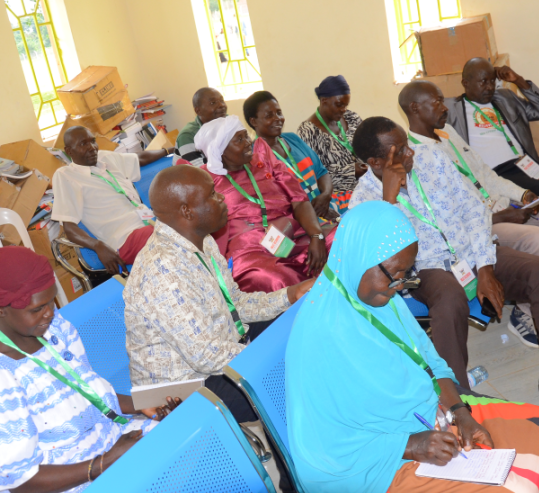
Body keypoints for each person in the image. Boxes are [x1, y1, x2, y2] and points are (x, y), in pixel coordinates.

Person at [286, 201, 539, 493]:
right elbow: (327, 445)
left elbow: (428, 360)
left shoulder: (381, 299)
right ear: (358, 257)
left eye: (406, 275)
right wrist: (412, 445)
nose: (399, 286)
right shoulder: (320, 336)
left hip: (427, 416)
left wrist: (460, 411)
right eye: (393, 274)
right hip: (371, 465)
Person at [349, 116, 539, 396]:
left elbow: (474, 209)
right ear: (375, 163)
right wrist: (389, 200)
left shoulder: (432, 157)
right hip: (425, 267)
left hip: (471, 251)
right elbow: (386, 259)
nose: (411, 152)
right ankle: (459, 399)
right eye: (400, 151)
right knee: (449, 300)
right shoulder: (363, 201)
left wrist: (485, 267)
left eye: (407, 144)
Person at [0, 247, 179, 493]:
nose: (50, 312)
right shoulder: (4, 377)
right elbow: (22, 483)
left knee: (181, 442)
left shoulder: (55, 328)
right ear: (2, 310)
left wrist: (145, 405)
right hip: (55, 483)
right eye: (37, 309)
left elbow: (89, 392)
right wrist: (102, 464)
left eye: (52, 302)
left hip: (106, 442)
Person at [124, 165, 313, 422]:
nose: (222, 198)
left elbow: (235, 304)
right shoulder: (162, 270)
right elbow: (205, 355)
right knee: (288, 375)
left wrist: (290, 295)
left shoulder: (201, 240)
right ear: (187, 211)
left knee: (299, 325)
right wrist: (269, 355)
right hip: (184, 392)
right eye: (212, 194)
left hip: (223, 349)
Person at [401, 79, 539, 347]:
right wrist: (500, 217)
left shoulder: (447, 132)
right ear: (415, 108)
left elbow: (485, 173)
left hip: (500, 205)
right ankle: (524, 312)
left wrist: (521, 194)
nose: (444, 107)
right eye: (437, 102)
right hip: (481, 224)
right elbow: (447, 218)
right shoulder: (414, 156)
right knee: (537, 238)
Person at [194, 115, 336, 293]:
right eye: (239, 139)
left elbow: (299, 200)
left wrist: (316, 236)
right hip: (249, 250)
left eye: (246, 136)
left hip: (291, 232)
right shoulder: (205, 180)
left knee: (342, 238)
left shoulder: (262, 159)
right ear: (219, 150)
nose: (248, 142)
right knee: (277, 279)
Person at [51, 126, 171, 273]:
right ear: (69, 151)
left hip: (150, 222)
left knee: (188, 224)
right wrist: (98, 246)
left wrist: (169, 150)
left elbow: (139, 158)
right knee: (172, 238)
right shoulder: (66, 175)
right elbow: (69, 228)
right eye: (83, 144)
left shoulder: (103, 158)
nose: (92, 147)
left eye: (93, 141)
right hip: (126, 238)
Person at [444, 59, 539, 195]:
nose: (489, 87)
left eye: (492, 81)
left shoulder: (506, 98)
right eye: (483, 82)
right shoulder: (451, 109)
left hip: (526, 165)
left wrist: (518, 80)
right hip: (496, 174)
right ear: (465, 83)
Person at [243, 90, 340, 220]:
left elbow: (321, 172)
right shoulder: (254, 157)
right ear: (253, 121)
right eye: (269, 115)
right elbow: (273, 202)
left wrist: (326, 195)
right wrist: (312, 212)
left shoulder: (293, 139)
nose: (277, 118)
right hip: (299, 221)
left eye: (279, 112)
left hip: (326, 207)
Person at [297, 75, 365, 212]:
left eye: (346, 105)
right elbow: (313, 175)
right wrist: (352, 171)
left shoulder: (352, 118)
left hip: (365, 188)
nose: (343, 109)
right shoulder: (308, 132)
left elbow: (369, 148)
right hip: (335, 198)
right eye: (339, 105)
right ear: (324, 101)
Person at [174, 87, 227, 166]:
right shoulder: (188, 136)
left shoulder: (229, 123)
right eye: (213, 103)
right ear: (198, 111)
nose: (221, 105)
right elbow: (199, 170)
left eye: (222, 101)